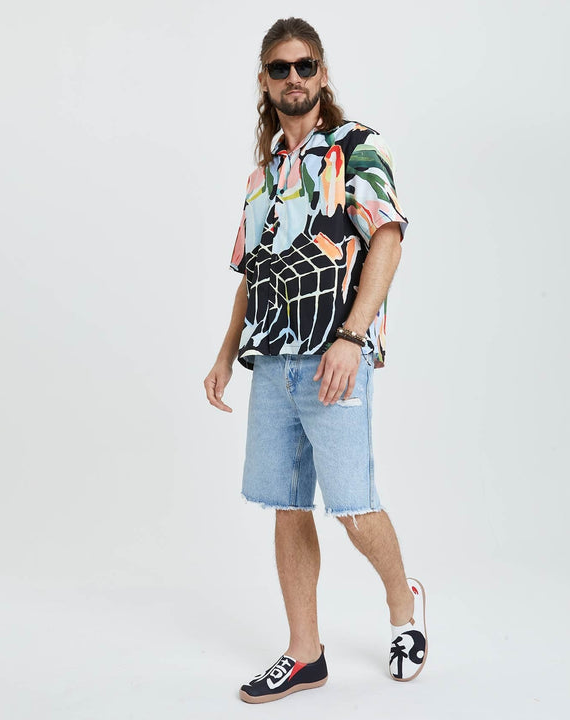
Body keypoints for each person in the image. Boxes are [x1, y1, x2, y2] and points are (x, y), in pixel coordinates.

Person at [203, 17, 427, 704]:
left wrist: (352, 337)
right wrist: (223, 355)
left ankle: (403, 604)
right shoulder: (263, 175)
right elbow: (253, 272)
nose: (294, 78)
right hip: (272, 363)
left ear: (322, 75)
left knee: (353, 507)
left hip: (336, 357)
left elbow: (387, 239)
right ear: (265, 81)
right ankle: (306, 654)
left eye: (305, 66)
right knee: (287, 506)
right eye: (280, 68)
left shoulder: (357, 147)